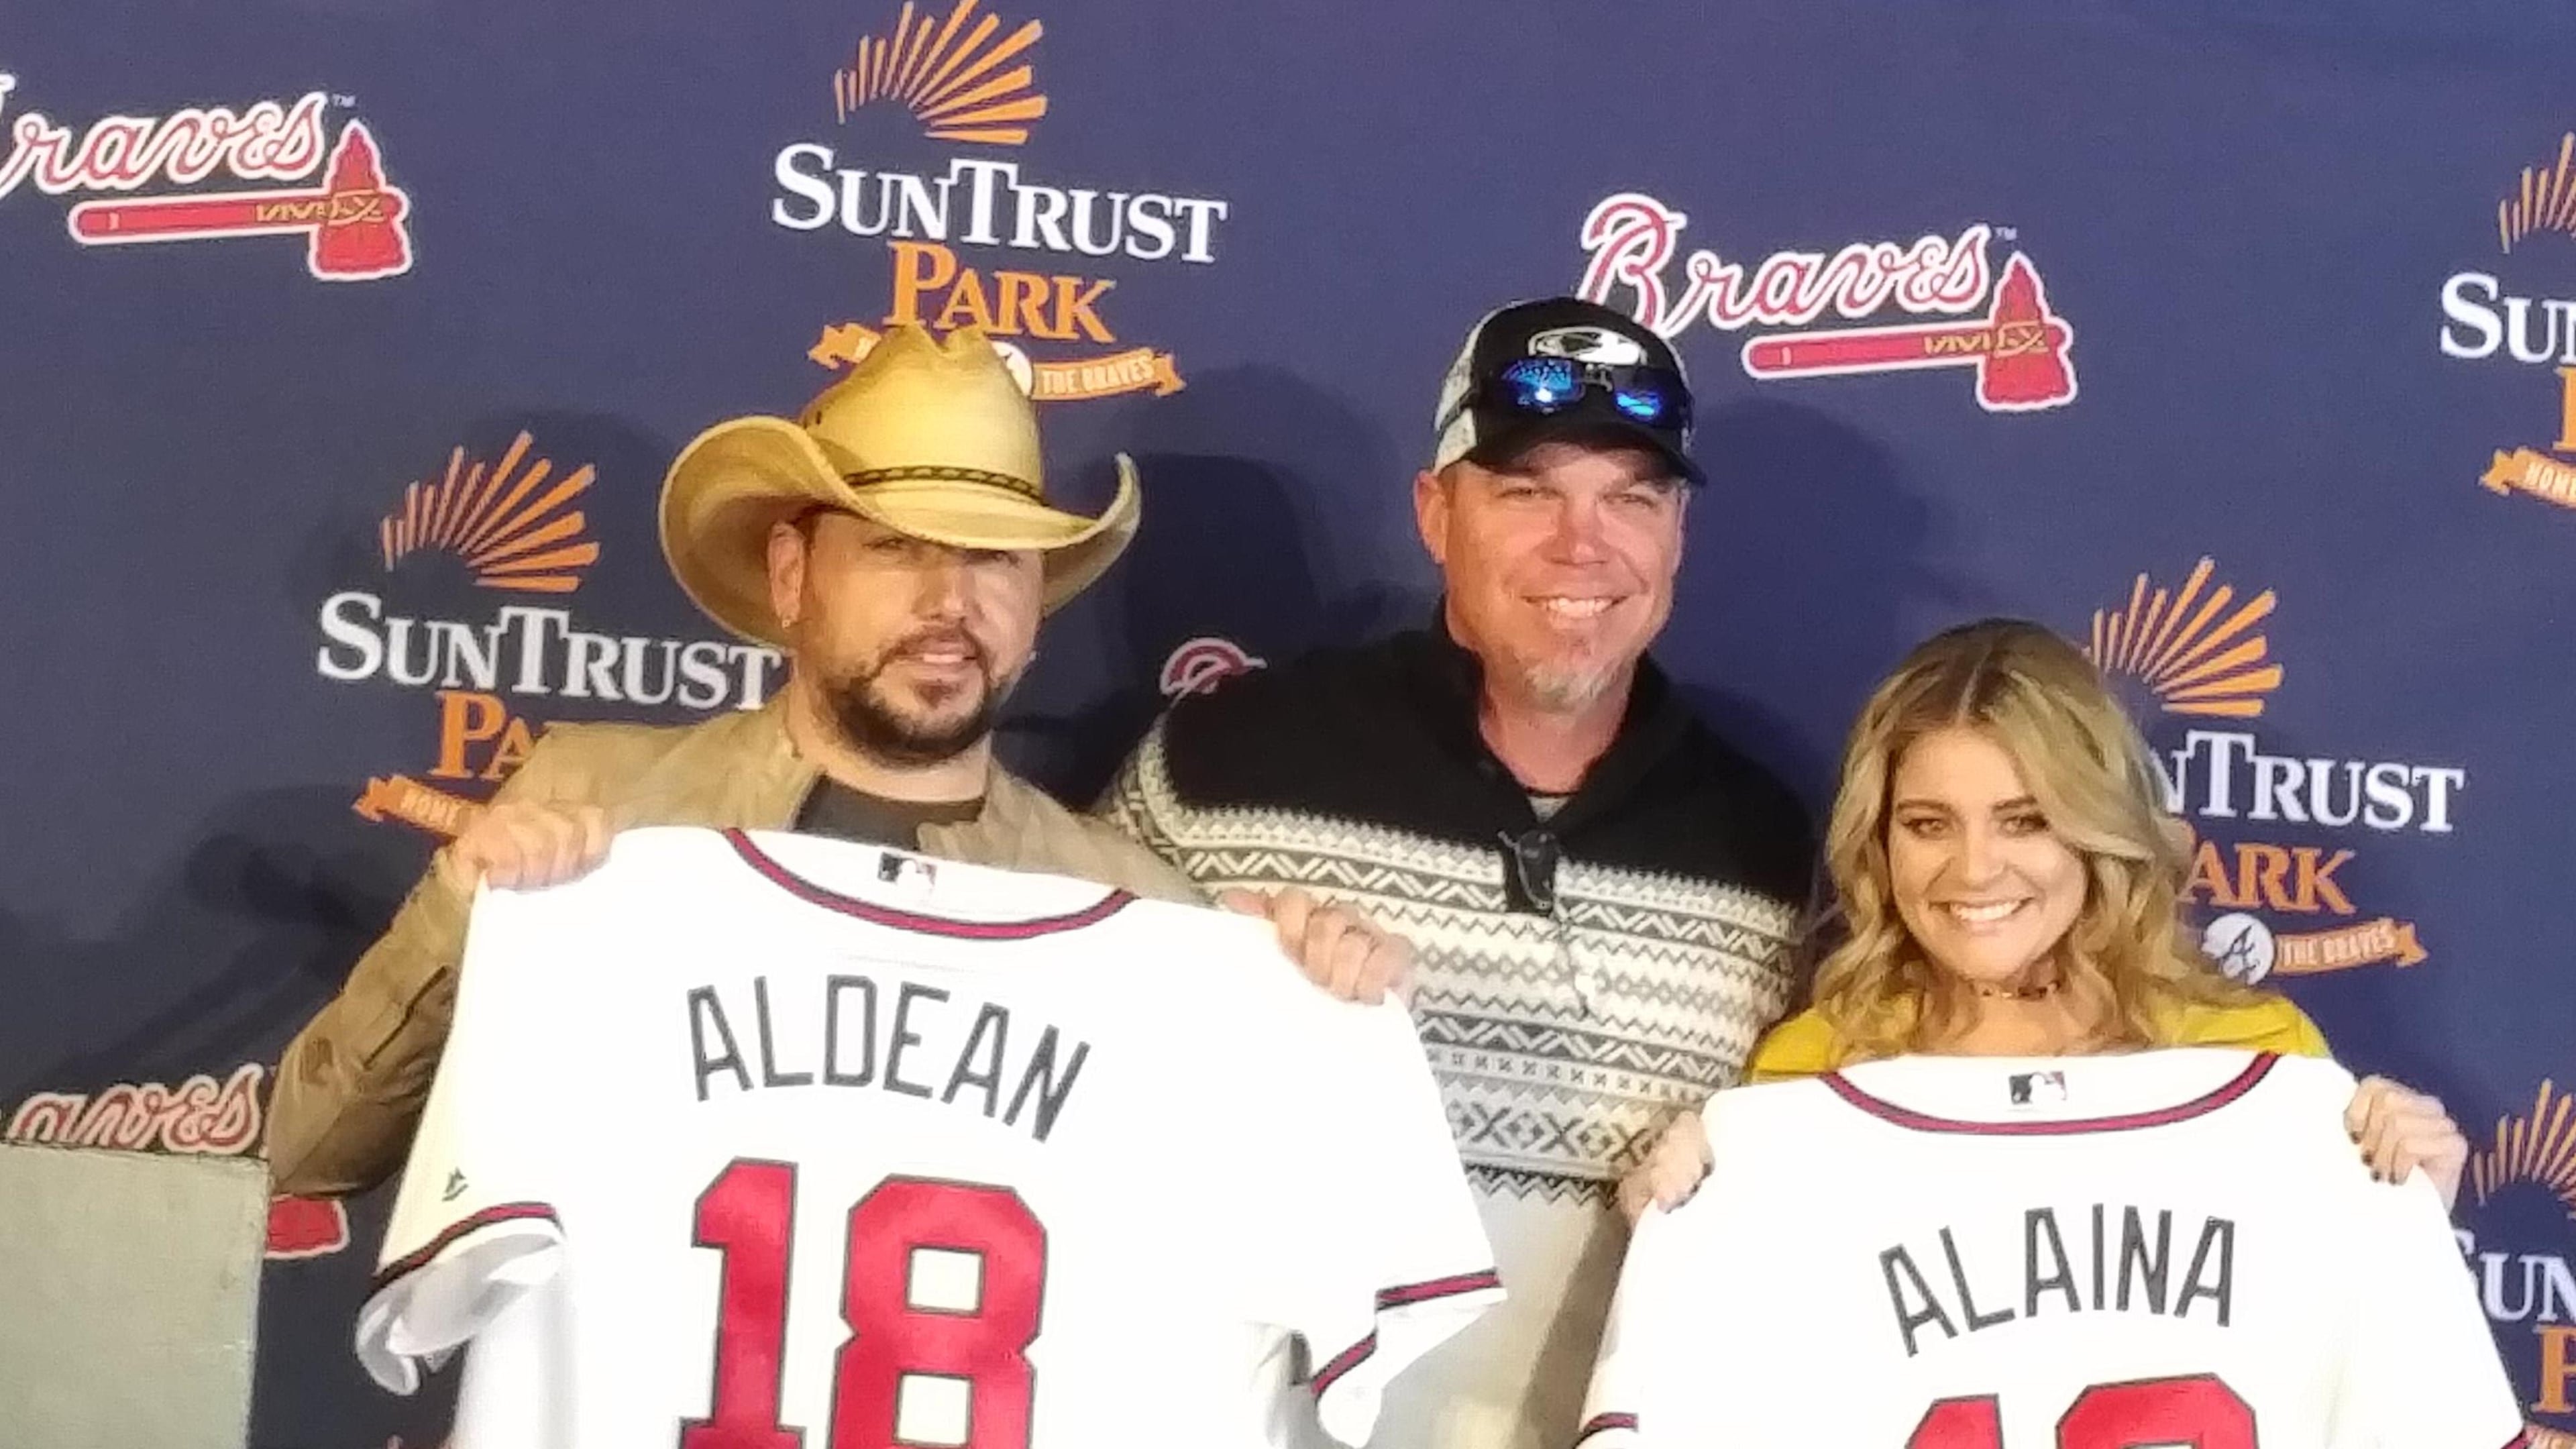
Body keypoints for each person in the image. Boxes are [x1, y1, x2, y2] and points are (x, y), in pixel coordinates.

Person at [266, 325, 1406, 1197]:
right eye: (898, 548)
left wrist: (1312, 1036)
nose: (950, 602)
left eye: (995, 561)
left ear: (1038, 602)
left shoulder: (1138, 914)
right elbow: (310, 1157)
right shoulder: (597, 802)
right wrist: (463, 917)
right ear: (794, 574)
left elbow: (1227, 1260)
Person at [1099, 299, 1813, 1448]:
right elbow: (1043, 1102)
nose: (1583, 544)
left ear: (1677, 535)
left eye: (1631, 495)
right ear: (1437, 512)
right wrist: (1214, 1003)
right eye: (1528, 489)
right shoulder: (1220, 761)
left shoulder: (1772, 848)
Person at [1618, 618, 2471, 1223]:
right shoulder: (1809, 1072)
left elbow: (2337, 1368)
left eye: (2026, 819)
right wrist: (1676, 1225)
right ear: (1878, 843)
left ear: (2099, 831)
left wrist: (2407, 1217)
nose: (1976, 868)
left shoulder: (2253, 1054)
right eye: (1928, 824)